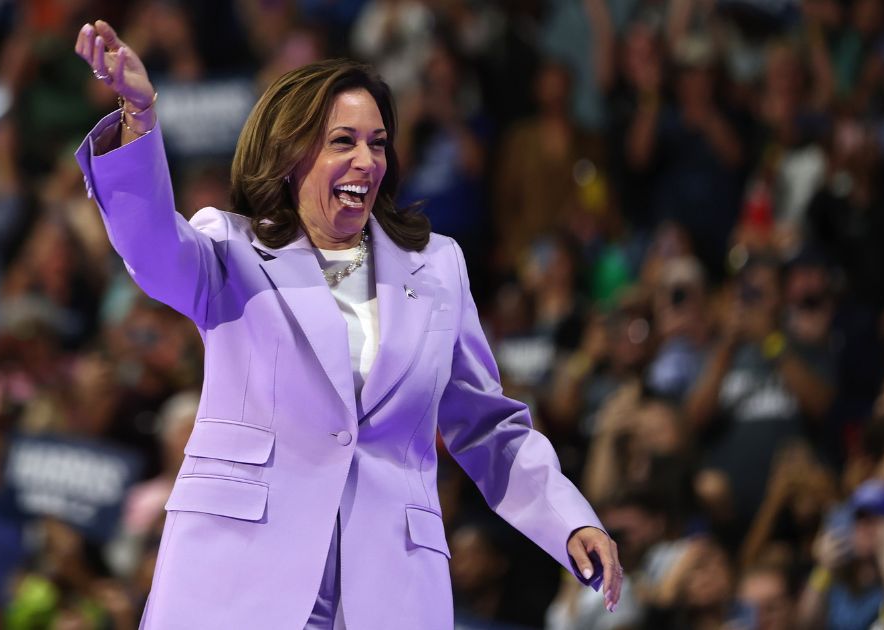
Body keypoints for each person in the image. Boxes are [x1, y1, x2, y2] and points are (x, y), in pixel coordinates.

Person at [73, 20, 622, 629]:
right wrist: (139, 117)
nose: (367, 160)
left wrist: (568, 517)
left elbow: (488, 425)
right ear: (290, 153)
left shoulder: (438, 266)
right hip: (241, 576)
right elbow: (149, 247)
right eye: (343, 141)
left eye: (378, 142)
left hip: (386, 584)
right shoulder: (230, 248)